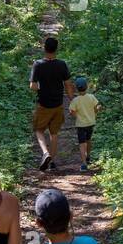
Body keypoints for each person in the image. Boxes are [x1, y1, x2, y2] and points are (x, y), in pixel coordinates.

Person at [29, 35, 75, 172]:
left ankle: (45, 153)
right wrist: (72, 99)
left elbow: (32, 86)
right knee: (54, 133)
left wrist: (41, 87)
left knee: (39, 130)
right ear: (56, 49)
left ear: (44, 48)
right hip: (58, 104)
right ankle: (52, 162)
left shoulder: (38, 64)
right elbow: (68, 84)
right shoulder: (62, 64)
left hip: (43, 104)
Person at [68, 75, 101, 171]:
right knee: (88, 140)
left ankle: (84, 164)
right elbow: (96, 107)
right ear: (86, 87)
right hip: (91, 123)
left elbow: (71, 111)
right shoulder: (91, 97)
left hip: (81, 125)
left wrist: (77, 116)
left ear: (76, 89)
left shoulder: (75, 100)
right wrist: (95, 111)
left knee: (82, 143)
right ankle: (88, 156)